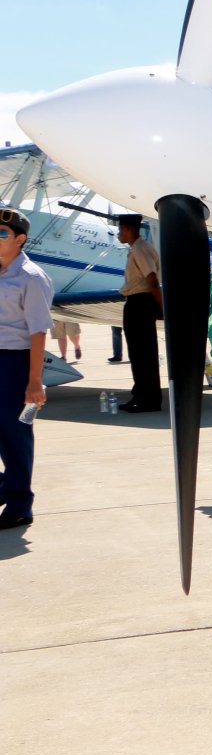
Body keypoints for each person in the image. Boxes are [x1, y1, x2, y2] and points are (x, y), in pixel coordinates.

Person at [1, 208, 54, 530]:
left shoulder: (31, 277)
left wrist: (35, 381)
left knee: (14, 434)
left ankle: (20, 503)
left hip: (14, 362)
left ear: (20, 239)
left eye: (2, 234)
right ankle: (6, 485)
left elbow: (38, 332)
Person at [116, 215, 163, 412]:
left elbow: (152, 280)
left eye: (120, 229)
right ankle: (140, 395)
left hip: (140, 303)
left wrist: (161, 307)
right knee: (137, 353)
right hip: (136, 303)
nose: (118, 233)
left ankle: (149, 400)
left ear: (128, 229)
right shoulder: (137, 248)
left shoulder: (140, 249)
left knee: (144, 354)